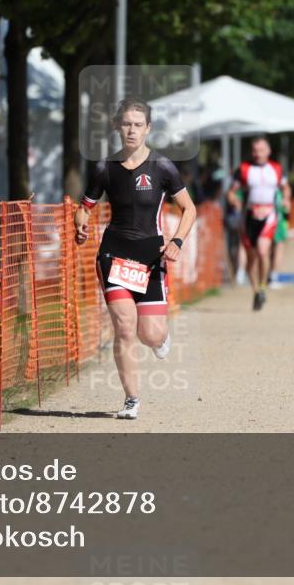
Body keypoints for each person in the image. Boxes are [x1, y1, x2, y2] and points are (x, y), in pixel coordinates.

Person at [75, 97, 197, 420]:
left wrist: (177, 241)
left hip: (151, 257)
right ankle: (131, 399)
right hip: (114, 255)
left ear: (148, 129)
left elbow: (190, 209)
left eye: (138, 124)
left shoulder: (162, 167)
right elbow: (83, 208)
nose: (131, 130)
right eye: (126, 124)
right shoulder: (105, 169)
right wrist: (81, 226)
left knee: (150, 334)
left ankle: (160, 337)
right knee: (125, 327)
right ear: (117, 127)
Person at [226, 137, 286, 310]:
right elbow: (232, 192)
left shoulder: (276, 168)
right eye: (255, 150)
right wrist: (234, 200)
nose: (258, 154)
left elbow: (285, 188)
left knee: (262, 250)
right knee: (251, 259)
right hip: (249, 216)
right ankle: (256, 292)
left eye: (261, 150)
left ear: (268, 151)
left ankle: (262, 286)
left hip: (269, 214)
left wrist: (287, 199)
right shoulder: (244, 169)